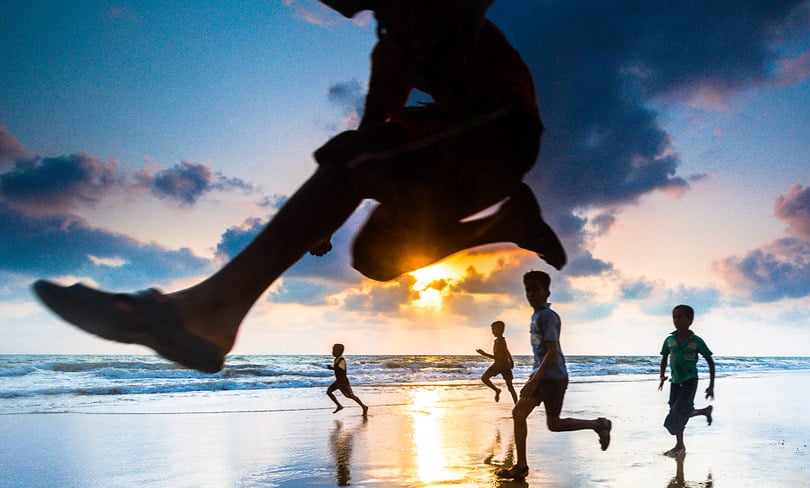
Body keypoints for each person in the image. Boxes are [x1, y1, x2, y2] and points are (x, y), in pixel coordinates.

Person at [32, 0, 565, 374]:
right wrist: (320, 215)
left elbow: (361, 157)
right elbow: (375, 139)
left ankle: (213, 310)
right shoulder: (392, 48)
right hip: (468, 152)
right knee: (376, 257)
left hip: (502, 125)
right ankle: (508, 221)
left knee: (355, 156)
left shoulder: (422, 12)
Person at [496, 270, 611, 480]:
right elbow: (539, 354)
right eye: (528, 290)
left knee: (554, 425)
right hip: (540, 376)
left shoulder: (548, 316)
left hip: (554, 378)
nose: (531, 294)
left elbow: (552, 351)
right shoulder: (536, 316)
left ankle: (598, 424)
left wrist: (536, 379)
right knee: (518, 413)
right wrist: (532, 376)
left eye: (536, 290)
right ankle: (521, 466)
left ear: (547, 292)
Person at [658, 304, 715, 455]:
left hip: (690, 381)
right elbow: (664, 358)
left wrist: (711, 386)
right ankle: (680, 445)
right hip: (675, 382)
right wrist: (662, 376)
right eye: (674, 317)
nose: (676, 320)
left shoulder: (697, 341)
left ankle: (680, 443)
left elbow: (710, 362)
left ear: (690, 320)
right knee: (678, 411)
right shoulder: (669, 340)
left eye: (680, 317)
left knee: (676, 415)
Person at [476, 320, 517, 403]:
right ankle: (497, 390)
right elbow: (507, 351)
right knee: (484, 378)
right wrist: (512, 361)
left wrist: (484, 354)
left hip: (503, 366)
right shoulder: (498, 340)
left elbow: (499, 357)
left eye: (494, 329)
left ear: (501, 330)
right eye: (492, 329)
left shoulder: (501, 341)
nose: (492, 332)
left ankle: (517, 405)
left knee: (510, 387)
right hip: (498, 365)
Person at [328, 343, 369, 416]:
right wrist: (332, 368)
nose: (332, 352)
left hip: (343, 382)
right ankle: (339, 405)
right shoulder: (336, 359)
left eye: (334, 350)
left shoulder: (341, 360)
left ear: (340, 351)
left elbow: (340, 369)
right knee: (329, 391)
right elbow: (337, 369)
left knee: (350, 396)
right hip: (338, 381)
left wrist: (332, 368)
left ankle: (364, 407)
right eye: (333, 350)